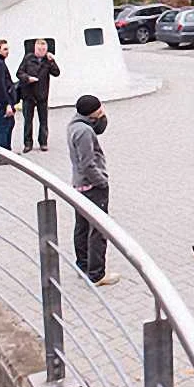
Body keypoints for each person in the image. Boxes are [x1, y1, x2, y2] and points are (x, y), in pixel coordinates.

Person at [67, 95, 119, 287]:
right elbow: (87, 163)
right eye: (99, 109)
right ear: (93, 112)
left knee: (81, 226)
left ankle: (83, 265)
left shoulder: (75, 125)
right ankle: (97, 274)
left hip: (79, 185)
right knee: (98, 229)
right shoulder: (84, 132)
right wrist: (101, 181)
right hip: (92, 187)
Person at [16, 39, 60, 153]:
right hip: (28, 94)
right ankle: (28, 143)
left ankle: (43, 142)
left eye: (44, 49)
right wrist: (27, 78)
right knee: (28, 121)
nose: (42, 51)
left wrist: (52, 61)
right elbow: (19, 73)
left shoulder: (47, 61)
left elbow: (56, 73)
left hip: (42, 94)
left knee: (43, 120)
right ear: (35, 48)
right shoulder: (28, 58)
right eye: (40, 49)